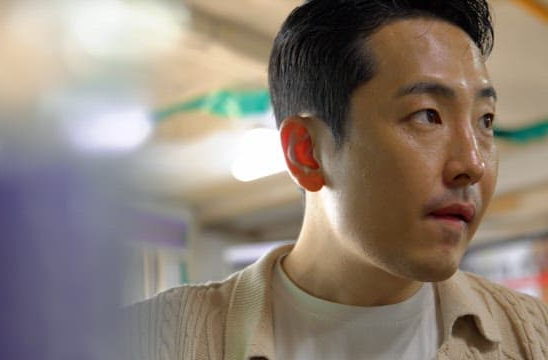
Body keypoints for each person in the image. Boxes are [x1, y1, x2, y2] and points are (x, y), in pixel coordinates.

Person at [122, 1, 548, 359]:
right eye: (427, 116)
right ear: (306, 152)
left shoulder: (532, 337)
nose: (472, 163)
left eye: (485, 121)